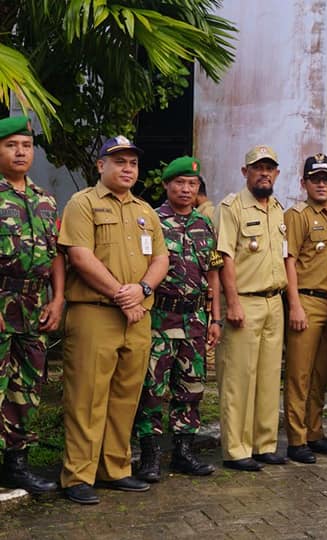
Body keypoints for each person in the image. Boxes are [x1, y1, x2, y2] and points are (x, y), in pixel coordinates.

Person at [58, 135, 169, 505]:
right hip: (95, 314)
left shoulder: (145, 211)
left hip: (137, 316)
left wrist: (142, 289)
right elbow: (80, 255)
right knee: (87, 397)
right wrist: (122, 295)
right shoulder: (83, 204)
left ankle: (115, 468)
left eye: (132, 163)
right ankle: (78, 475)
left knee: (125, 397)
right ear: (100, 166)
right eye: (118, 161)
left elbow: (161, 260)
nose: (127, 168)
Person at [134, 156, 220, 483]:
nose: (186, 189)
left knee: (191, 388)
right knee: (152, 389)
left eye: (192, 184)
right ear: (167, 185)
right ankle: (151, 455)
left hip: (195, 320)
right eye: (180, 183)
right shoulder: (151, 221)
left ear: (198, 188)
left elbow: (212, 272)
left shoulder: (204, 224)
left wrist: (215, 318)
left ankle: (184, 452)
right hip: (160, 318)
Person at [215, 145, 288, 472]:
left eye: (269, 168)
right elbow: (224, 257)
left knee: (269, 376)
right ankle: (236, 448)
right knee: (238, 378)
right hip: (244, 300)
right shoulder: (231, 207)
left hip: (274, 302)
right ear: (245, 172)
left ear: (276, 172)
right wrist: (231, 302)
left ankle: (264, 443)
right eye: (258, 168)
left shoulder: (277, 208)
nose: (264, 173)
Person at [0, 116, 63, 495]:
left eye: (26, 145)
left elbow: (57, 254)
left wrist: (58, 298)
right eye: (11, 145)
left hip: (34, 304)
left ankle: (16, 464)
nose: (21, 151)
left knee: (27, 387)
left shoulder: (44, 199)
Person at [282, 153, 327, 464]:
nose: (321, 184)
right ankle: (296, 439)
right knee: (299, 375)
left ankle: (315, 432)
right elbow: (289, 261)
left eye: (326, 179)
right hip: (305, 301)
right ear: (304, 182)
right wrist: (294, 304)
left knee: (321, 374)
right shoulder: (297, 215)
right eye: (314, 179)